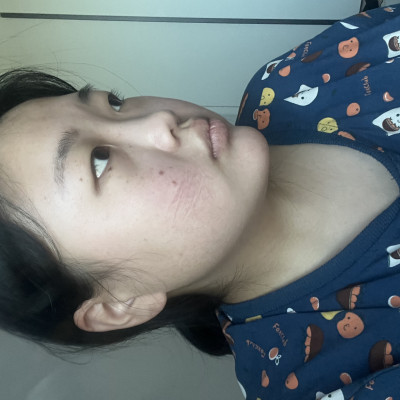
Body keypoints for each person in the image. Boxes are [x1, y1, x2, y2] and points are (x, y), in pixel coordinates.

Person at [1, 4, 400, 399]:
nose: (159, 120)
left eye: (114, 104)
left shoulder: (290, 80)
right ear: (120, 303)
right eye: (99, 161)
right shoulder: (324, 382)